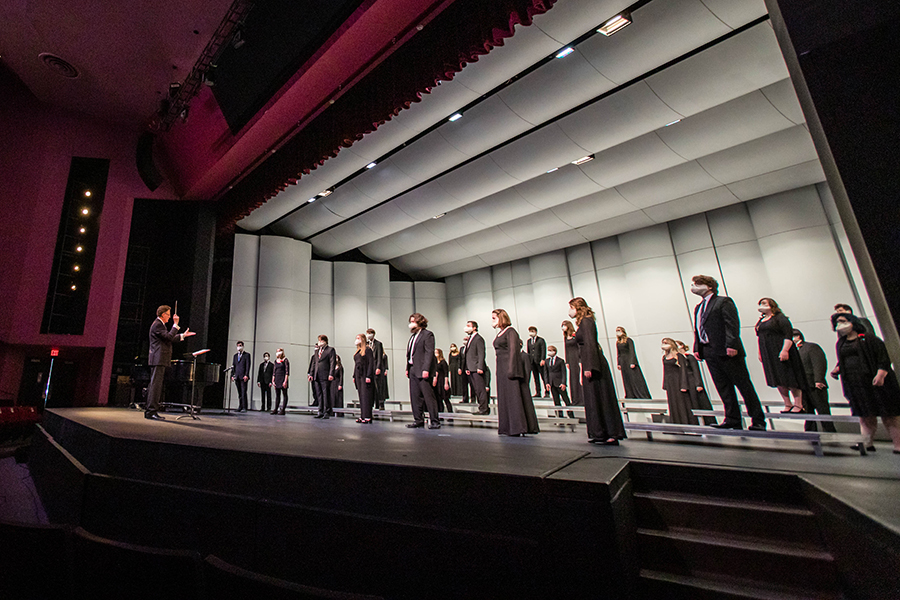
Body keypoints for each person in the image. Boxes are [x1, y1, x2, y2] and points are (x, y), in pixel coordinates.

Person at [690, 274, 766, 431]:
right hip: (709, 351)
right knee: (723, 387)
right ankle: (732, 419)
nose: (694, 287)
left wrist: (731, 345)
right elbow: (698, 329)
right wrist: (698, 347)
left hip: (726, 350)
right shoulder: (698, 307)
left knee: (744, 385)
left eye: (698, 284)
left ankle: (758, 420)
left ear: (709, 286)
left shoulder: (723, 301)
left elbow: (732, 325)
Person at [830, 313, 900, 453]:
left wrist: (880, 374)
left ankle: (898, 445)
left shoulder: (869, 339)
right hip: (856, 384)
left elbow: (883, 358)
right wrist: (837, 369)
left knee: (889, 415)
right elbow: (843, 359)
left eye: (843, 321)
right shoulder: (841, 342)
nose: (839, 325)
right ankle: (867, 443)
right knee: (865, 415)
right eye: (837, 322)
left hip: (875, 384)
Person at [569, 298, 625, 445]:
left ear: (577, 307)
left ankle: (611, 432)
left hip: (594, 364)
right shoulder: (583, 322)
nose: (570, 311)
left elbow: (590, 344)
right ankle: (598, 432)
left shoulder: (587, 321)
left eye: (571, 307)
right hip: (589, 362)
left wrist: (589, 366)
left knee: (602, 397)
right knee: (593, 399)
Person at [491, 309, 539, 436]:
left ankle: (518, 427)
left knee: (514, 397)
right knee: (505, 397)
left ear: (501, 318)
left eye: (494, 318)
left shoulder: (511, 332)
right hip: (501, 368)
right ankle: (507, 427)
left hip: (509, 368)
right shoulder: (501, 333)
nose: (492, 321)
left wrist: (512, 370)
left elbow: (513, 351)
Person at [145, 305, 195, 421]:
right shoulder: (158, 324)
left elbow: (169, 338)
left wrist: (182, 335)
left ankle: (151, 410)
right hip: (158, 359)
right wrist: (175, 324)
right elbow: (168, 336)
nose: (169, 317)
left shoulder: (160, 325)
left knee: (155, 386)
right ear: (163, 314)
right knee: (155, 386)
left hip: (159, 359)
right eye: (168, 314)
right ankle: (151, 411)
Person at [756, 298, 805, 413]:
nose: (761, 306)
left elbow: (788, 335)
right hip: (768, 352)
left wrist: (785, 350)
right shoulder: (761, 321)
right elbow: (759, 337)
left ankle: (798, 404)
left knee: (789, 376)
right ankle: (787, 403)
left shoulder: (780, 318)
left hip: (780, 348)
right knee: (777, 378)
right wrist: (760, 352)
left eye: (764, 303)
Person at [793, 329, 836, 433]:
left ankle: (830, 433)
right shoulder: (793, 351)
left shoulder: (811, 347)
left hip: (814, 384)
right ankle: (810, 433)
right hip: (802, 387)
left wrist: (818, 379)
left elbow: (819, 363)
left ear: (798, 336)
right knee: (807, 411)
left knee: (822, 410)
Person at [406, 313, 441, 429]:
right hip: (413, 369)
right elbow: (411, 354)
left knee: (428, 396)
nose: (411, 324)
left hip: (423, 370)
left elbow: (429, 353)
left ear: (419, 322)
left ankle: (435, 421)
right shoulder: (413, 336)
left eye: (413, 321)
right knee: (415, 396)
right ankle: (418, 420)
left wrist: (426, 369)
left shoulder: (427, 335)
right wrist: (408, 368)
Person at [677, 341, 716, 425]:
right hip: (686, 382)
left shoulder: (690, 357)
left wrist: (698, 384)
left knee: (698, 402)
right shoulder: (679, 359)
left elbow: (696, 371)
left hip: (692, 381)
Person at [661, 338, 694, 424]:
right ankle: (677, 423)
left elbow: (683, 371)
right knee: (673, 403)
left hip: (678, 381)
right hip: (670, 382)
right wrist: (665, 384)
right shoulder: (664, 357)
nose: (664, 345)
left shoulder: (678, 356)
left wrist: (684, 385)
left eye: (666, 343)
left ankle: (687, 423)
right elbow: (665, 371)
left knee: (682, 403)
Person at [462, 321, 490, 415]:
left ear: (474, 328)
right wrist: (467, 368)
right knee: (477, 390)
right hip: (471, 368)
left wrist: (480, 366)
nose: (466, 328)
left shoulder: (478, 339)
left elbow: (481, 354)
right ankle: (481, 407)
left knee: (481, 389)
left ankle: (484, 409)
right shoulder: (470, 339)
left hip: (477, 368)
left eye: (468, 326)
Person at [615, 327, 651, 399]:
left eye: (619, 330)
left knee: (634, 377)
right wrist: (618, 363)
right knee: (626, 378)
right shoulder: (618, 342)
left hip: (629, 359)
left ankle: (640, 394)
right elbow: (618, 353)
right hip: (623, 361)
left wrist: (632, 362)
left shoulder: (628, 340)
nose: (617, 332)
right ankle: (630, 394)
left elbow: (632, 351)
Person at [308, 334, 336, 419]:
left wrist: (331, 374)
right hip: (317, 375)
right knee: (319, 394)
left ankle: (327, 411)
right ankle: (320, 411)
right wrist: (311, 374)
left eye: (320, 340)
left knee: (325, 394)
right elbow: (314, 363)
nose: (319, 342)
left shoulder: (330, 350)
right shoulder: (317, 351)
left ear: (325, 341)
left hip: (325, 375)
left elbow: (332, 362)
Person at [544, 345, 573, 418]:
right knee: (556, 401)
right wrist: (547, 383)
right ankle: (559, 416)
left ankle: (571, 415)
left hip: (559, 383)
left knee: (566, 399)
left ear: (554, 351)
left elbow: (564, 373)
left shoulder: (560, 361)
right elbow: (545, 373)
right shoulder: (547, 361)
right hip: (552, 383)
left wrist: (563, 383)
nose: (549, 352)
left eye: (550, 350)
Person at [353, 334, 375, 423]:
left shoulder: (368, 350)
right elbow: (356, 364)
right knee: (361, 396)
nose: (356, 340)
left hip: (365, 374)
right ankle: (362, 416)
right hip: (359, 375)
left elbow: (371, 363)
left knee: (366, 396)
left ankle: (367, 416)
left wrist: (369, 376)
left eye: (358, 338)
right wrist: (354, 375)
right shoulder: (358, 351)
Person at [562, 320, 584, 407]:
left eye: (564, 325)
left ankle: (581, 399)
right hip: (570, 359)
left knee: (578, 378)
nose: (563, 327)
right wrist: (567, 361)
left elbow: (579, 347)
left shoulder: (574, 335)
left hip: (576, 358)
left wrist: (580, 360)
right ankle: (575, 399)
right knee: (573, 379)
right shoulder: (565, 337)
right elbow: (566, 350)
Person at [367, 329, 387, 410]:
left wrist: (378, 367)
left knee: (379, 386)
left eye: (370, 333)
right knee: (371, 386)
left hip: (376, 367)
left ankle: (381, 403)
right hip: (369, 368)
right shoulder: (366, 344)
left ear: (373, 334)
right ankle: (372, 403)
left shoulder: (378, 344)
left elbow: (379, 357)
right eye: (368, 333)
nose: (369, 335)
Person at [526, 326, 547, 397]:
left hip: (539, 361)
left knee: (543, 377)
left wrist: (543, 359)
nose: (531, 333)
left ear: (535, 332)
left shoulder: (541, 340)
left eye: (532, 331)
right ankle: (538, 392)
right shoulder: (529, 341)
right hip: (532, 362)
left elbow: (543, 350)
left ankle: (547, 392)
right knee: (536, 378)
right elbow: (528, 352)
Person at [231, 341, 252, 412]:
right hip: (237, 376)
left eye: (240, 345)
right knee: (239, 392)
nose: (239, 347)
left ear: (243, 346)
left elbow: (248, 366)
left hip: (243, 376)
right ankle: (240, 406)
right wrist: (232, 375)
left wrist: (246, 375)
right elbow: (233, 366)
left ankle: (244, 407)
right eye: (238, 346)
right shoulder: (235, 356)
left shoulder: (247, 355)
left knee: (243, 392)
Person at [271, 348, 290, 415]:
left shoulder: (285, 360)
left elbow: (287, 372)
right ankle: (275, 409)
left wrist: (285, 381)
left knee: (284, 394)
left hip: (283, 378)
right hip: (277, 379)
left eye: (279, 351)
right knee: (277, 395)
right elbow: (274, 372)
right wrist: (273, 380)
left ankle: (283, 409)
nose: (278, 353)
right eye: (277, 351)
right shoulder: (275, 361)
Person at [433, 348, 453, 413]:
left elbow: (446, 373)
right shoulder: (435, 363)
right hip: (437, 382)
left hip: (443, 381)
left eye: (436, 352)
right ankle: (440, 413)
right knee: (438, 399)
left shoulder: (443, 362)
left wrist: (446, 383)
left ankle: (450, 414)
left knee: (445, 398)